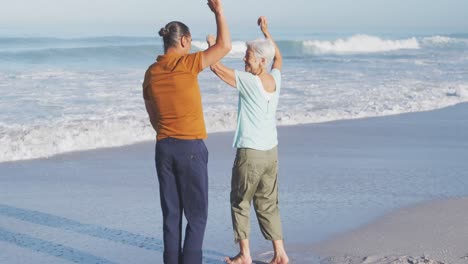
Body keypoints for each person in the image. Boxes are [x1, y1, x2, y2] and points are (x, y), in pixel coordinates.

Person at [142, 0, 231, 263]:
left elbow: (152, 116)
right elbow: (224, 46)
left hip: (164, 148)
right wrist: (218, 12)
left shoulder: (151, 72)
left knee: (171, 217)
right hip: (189, 148)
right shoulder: (187, 64)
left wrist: (169, 131)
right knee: (197, 215)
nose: (190, 47)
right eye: (189, 43)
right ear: (183, 41)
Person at [207, 16, 289, 264]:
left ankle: (245, 255)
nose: (244, 59)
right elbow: (279, 58)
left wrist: (211, 47)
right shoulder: (274, 80)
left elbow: (216, 68)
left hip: (250, 153)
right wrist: (267, 33)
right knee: (268, 203)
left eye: (249, 56)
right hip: (270, 152)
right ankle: (281, 254)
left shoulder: (250, 82)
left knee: (240, 202)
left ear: (260, 62)